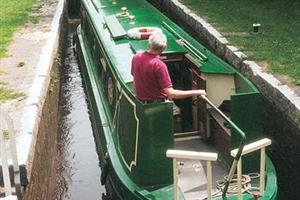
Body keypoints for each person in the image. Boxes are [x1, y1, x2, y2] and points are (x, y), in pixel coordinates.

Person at [131, 32, 206, 103]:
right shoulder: (159, 65)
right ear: (164, 47)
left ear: (149, 45)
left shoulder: (136, 57)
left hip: (140, 102)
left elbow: (134, 78)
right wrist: (197, 92)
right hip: (157, 106)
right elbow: (171, 94)